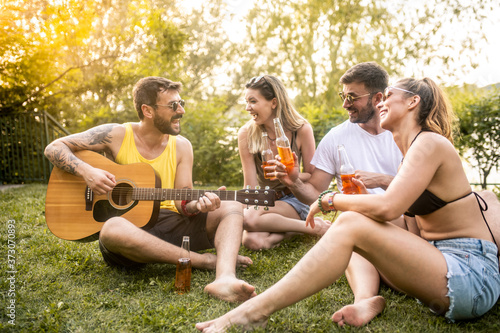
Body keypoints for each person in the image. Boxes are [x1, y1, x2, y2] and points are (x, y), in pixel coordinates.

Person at [195, 77, 500, 332]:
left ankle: (253, 312)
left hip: (470, 277)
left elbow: (388, 208)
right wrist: (356, 204)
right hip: (443, 266)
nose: (382, 101)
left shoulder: (430, 143)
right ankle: (365, 297)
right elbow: (407, 224)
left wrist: (331, 199)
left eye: (389, 95)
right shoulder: (413, 150)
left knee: (352, 220)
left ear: (412, 102)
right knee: (355, 219)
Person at [44, 76, 256, 303]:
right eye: (173, 105)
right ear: (148, 110)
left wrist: (197, 204)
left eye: (181, 103)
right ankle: (204, 261)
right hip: (131, 233)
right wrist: (87, 172)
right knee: (111, 229)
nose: (181, 110)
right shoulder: (116, 134)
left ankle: (224, 277)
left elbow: (182, 201)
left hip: (172, 227)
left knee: (232, 204)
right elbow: (54, 147)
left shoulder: (182, 146)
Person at [238, 75, 330, 250]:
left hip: (294, 198)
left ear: (273, 102)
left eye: (252, 101)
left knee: (250, 218)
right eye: (246, 102)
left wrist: (289, 174)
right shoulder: (246, 134)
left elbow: (311, 175)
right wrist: (236, 210)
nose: (247, 108)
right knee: (253, 241)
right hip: (267, 201)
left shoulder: (301, 129)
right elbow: (250, 186)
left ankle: (310, 225)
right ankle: (307, 227)